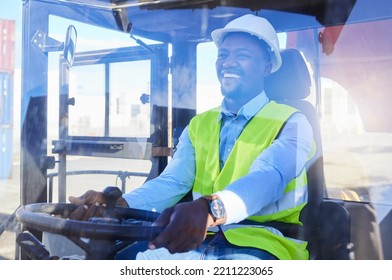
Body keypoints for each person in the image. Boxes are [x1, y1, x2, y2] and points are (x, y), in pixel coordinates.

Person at [69, 14, 313, 260]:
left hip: (263, 243)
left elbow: (269, 177)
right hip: (197, 239)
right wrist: (121, 205)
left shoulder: (292, 122)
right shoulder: (199, 124)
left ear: (267, 67)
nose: (228, 63)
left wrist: (210, 208)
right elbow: (174, 182)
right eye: (223, 55)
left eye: (243, 55)